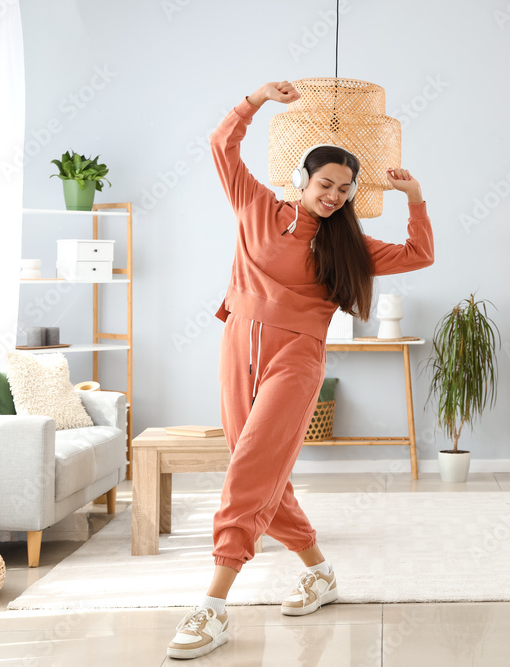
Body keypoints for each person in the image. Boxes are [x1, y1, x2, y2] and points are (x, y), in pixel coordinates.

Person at [167, 80, 434, 660]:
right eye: (326, 184)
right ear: (302, 180)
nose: (335, 196)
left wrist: (415, 198)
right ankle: (319, 571)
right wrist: (256, 100)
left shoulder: (350, 247)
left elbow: (420, 254)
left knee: (249, 472)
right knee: (257, 468)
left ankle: (213, 605)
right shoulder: (257, 207)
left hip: (297, 357)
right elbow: (221, 145)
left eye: (344, 188)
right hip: (238, 346)